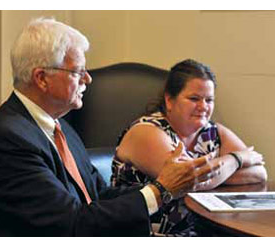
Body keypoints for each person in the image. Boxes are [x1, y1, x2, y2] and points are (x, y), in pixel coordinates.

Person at [0, 18, 222, 237]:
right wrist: (160, 190)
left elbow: (98, 195)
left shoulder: (61, 128)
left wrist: (165, 188)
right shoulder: (6, 141)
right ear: (41, 78)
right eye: (78, 71)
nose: (88, 79)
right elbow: (70, 225)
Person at [111, 59, 267, 235]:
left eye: (209, 100)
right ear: (169, 100)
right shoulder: (145, 132)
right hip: (148, 233)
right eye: (194, 98)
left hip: (201, 230)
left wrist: (212, 175)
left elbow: (259, 173)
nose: (203, 107)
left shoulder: (213, 132)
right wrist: (236, 159)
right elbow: (190, 179)